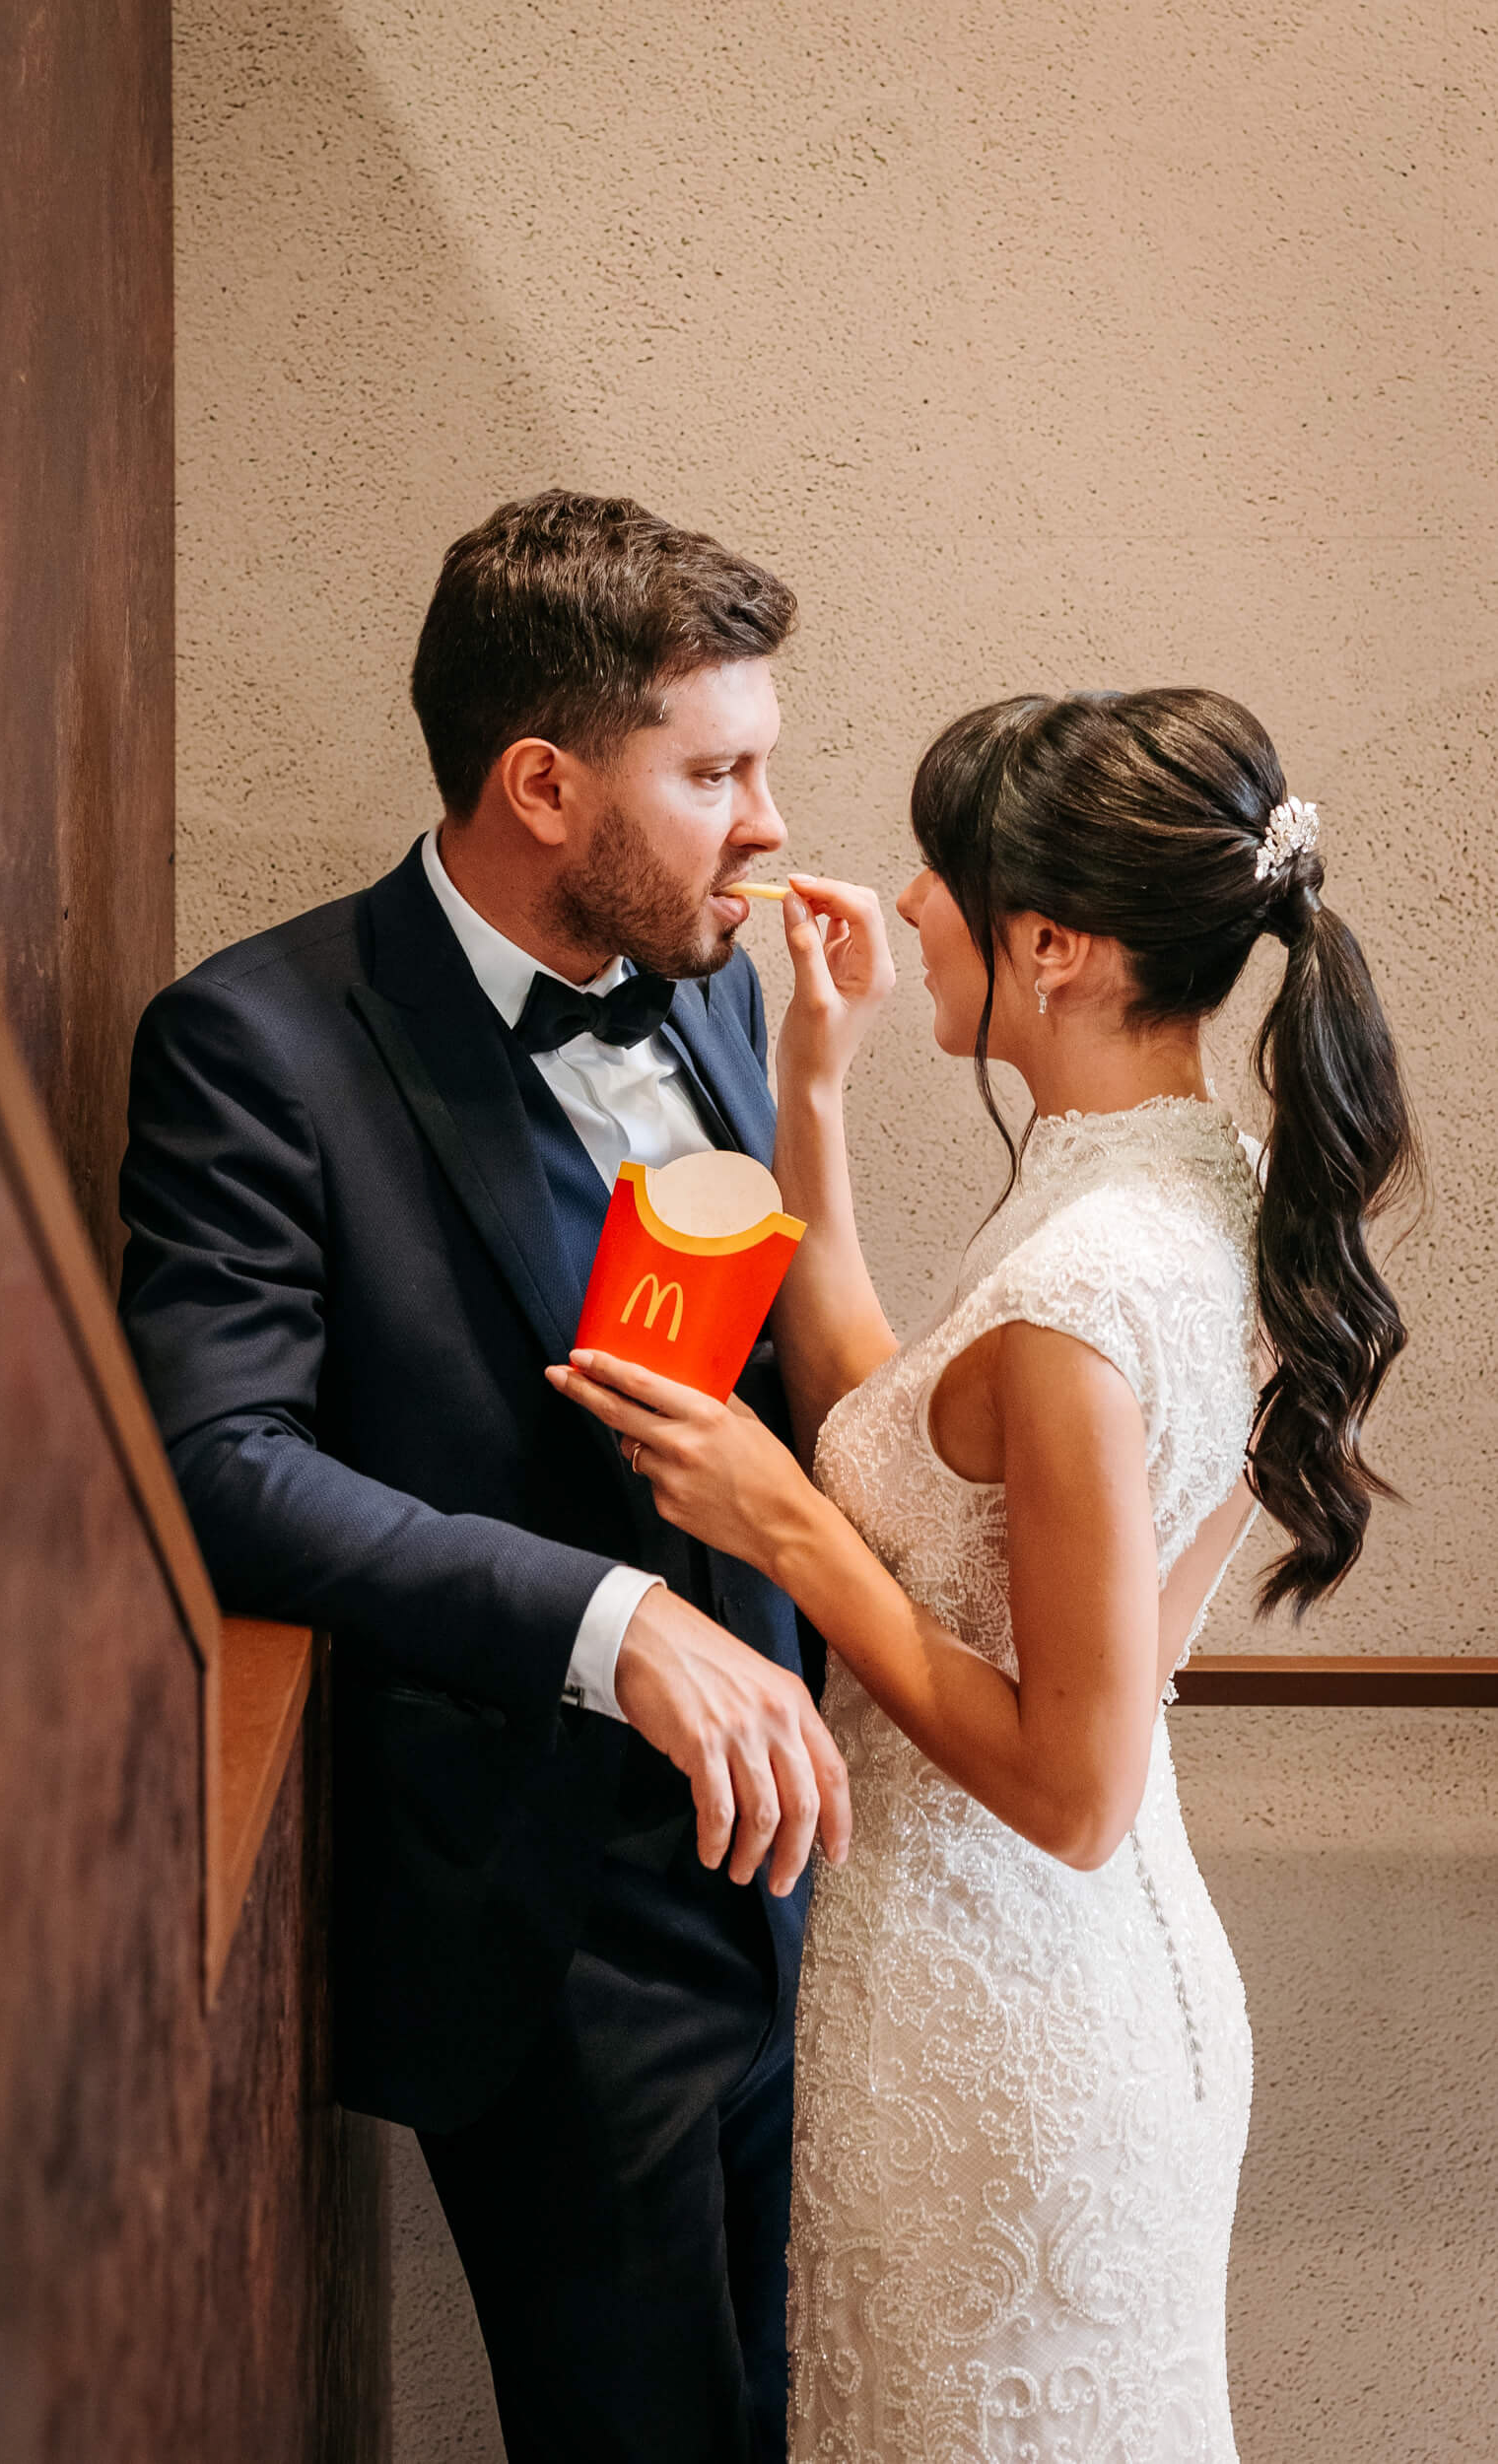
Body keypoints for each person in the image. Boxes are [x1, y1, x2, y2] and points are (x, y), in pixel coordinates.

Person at [552, 687, 1420, 2463]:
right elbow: (908, 1433)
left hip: (1007, 2041)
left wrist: (784, 1528)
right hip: (1040, 1991)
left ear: (1050, 949)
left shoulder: (1092, 1290)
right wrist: (814, 1085)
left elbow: (1074, 1789)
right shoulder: (1199, 1180)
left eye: (941, 873)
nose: (904, 903)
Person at [117, 490, 851, 2464]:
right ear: (542, 783)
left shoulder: (715, 983)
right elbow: (218, 1461)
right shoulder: (255, 1044)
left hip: (789, 1863)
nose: (769, 824)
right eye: (716, 774)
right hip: (548, 1916)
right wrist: (612, 1625)